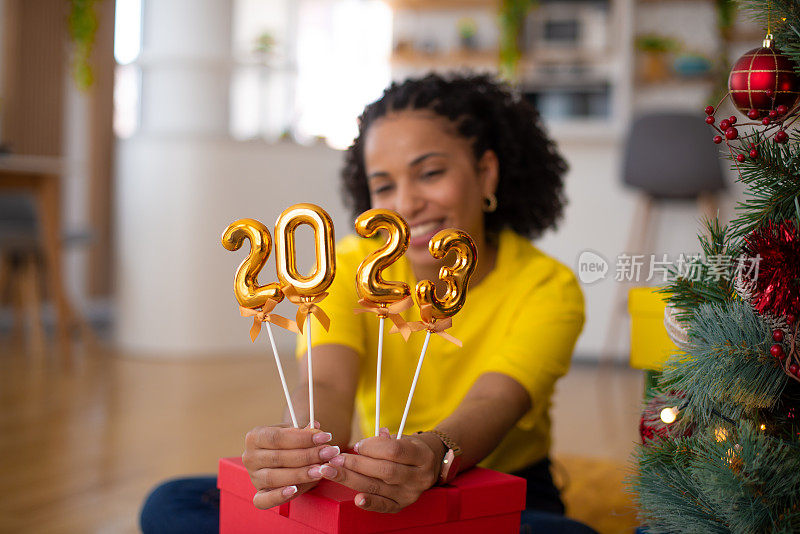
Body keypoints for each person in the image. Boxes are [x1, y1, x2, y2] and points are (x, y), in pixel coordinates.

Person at [140, 72, 595, 534]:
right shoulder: (344, 268)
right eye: (384, 186)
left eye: (431, 173)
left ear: (485, 172)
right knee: (171, 503)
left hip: (496, 483)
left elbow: (495, 398)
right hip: (375, 480)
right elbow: (328, 385)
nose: (408, 203)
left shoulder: (547, 287)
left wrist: (433, 453)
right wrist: (299, 448)